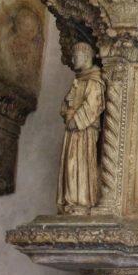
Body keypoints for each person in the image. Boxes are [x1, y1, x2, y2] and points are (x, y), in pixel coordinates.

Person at [58, 42, 105, 213]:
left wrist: (76, 120)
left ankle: (81, 200)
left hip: (84, 131)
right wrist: (67, 110)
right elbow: (64, 106)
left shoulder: (94, 81)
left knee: (80, 164)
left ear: (86, 57)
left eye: (75, 57)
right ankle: (70, 200)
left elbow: (93, 105)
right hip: (73, 131)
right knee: (70, 164)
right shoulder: (78, 80)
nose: (73, 60)